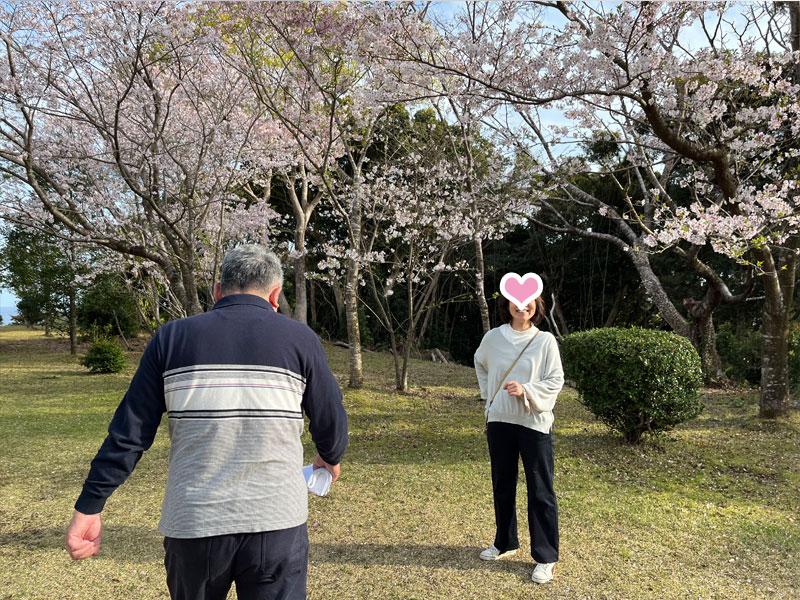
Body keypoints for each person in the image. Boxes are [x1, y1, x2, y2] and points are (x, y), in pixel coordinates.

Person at [65, 244, 348, 600]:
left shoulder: (170, 338)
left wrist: (90, 505)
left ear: (217, 291)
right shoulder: (301, 340)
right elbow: (330, 419)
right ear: (275, 295)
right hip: (276, 523)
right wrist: (329, 456)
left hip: (194, 523)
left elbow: (130, 433)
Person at [473, 292, 564, 584]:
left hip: (534, 423)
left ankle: (546, 557)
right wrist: (489, 398)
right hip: (500, 421)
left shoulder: (545, 340)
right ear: (507, 304)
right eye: (515, 300)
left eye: (529, 301)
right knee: (502, 484)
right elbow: (481, 364)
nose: (522, 305)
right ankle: (504, 542)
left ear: (537, 306)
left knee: (540, 490)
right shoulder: (493, 338)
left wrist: (526, 390)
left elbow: (555, 380)